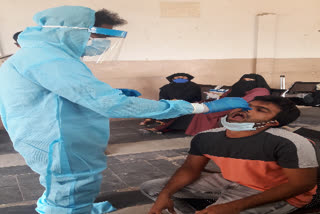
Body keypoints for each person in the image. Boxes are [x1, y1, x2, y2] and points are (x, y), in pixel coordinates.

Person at [0, 6, 250, 214]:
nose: (101, 46)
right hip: (58, 139)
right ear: (74, 32)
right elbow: (109, 104)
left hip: (51, 133)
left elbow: (64, 92)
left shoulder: (43, 54)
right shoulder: (49, 59)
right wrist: (201, 106)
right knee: (69, 183)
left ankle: (73, 207)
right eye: (97, 39)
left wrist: (111, 93)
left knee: (61, 183)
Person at [141, 95, 319, 214]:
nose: (246, 109)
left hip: (277, 192)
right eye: (247, 105)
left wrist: (231, 207)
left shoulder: (290, 143)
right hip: (233, 181)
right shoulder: (206, 138)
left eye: (261, 110)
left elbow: (301, 185)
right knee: (153, 187)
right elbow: (190, 169)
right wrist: (165, 194)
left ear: (274, 122)